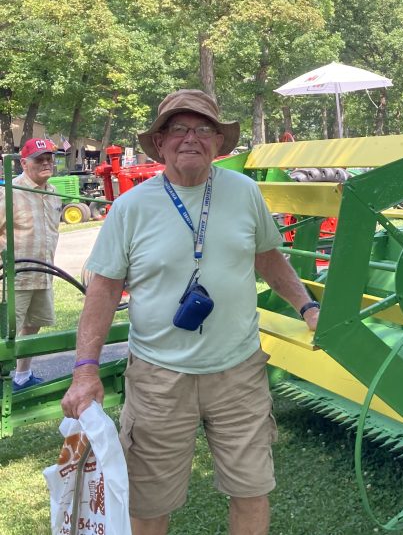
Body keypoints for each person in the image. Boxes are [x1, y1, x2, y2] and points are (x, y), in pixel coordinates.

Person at [61, 90, 320, 535]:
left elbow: (269, 257)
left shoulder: (245, 193)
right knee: (148, 500)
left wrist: (308, 305)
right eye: (178, 128)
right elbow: (102, 291)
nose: (191, 138)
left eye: (203, 129)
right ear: (160, 142)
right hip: (158, 380)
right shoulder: (131, 207)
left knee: (251, 490)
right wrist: (85, 370)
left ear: (219, 143)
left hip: (238, 373)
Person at [0, 138, 61, 391]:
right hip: (16, 276)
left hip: (43, 274)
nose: (46, 162)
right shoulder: (9, 193)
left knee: (32, 325)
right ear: (24, 163)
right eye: (39, 159)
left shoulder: (54, 192)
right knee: (5, 333)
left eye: (49, 158)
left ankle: (22, 376)